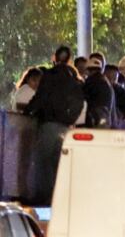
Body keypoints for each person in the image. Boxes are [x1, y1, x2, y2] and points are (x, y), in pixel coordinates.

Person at [25, 46, 84, 204]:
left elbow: (40, 98)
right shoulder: (74, 78)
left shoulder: (49, 76)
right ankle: (61, 200)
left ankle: (46, 202)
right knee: (61, 166)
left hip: (48, 126)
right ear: (70, 60)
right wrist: (70, 119)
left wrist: (28, 111)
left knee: (43, 166)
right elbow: (79, 103)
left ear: (54, 58)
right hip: (66, 129)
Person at [82, 56, 115, 128]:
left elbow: (83, 98)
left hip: (95, 119)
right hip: (106, 119)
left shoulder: (90, 82)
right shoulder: (107, 82)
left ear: (88, 70)